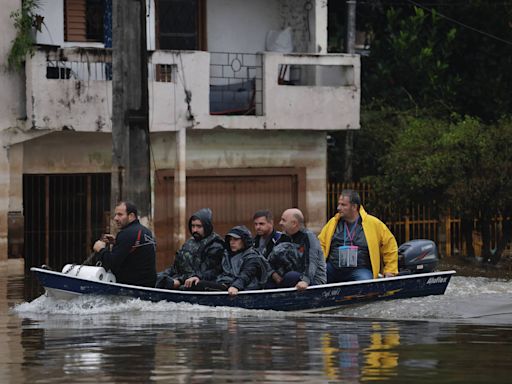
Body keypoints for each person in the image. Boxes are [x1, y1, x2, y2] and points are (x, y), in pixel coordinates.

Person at [318, 189, 398, 283]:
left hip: (360, 269)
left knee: (365, 283)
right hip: (334, 268)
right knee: (317, 277)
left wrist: (390, 271)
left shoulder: (373, 223)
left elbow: (390, 246)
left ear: (354, 207)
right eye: (339, 204)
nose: (338, 208)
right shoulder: (332, 223)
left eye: (343, 205)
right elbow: (320, 245)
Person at [186, 225, 273, 296]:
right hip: (224, 284)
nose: (232, 242)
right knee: (191, 284)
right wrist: (198, 277)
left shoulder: (252, 257)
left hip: (239, 288)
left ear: (244, 241)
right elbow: (215, 271)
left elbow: (246, 275)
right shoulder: (226, 255)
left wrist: (235, 287)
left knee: (201, 285)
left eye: (236, 239)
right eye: (230, 239)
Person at [91, 201, 157, 287]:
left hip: (131, 288)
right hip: (148, 286)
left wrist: (100, 249)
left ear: (131, 216)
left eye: (120, 215)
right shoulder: (146, 231)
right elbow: (136, 252)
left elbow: (111, 263)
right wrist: (117, 242)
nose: (115, 218)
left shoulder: (126, 234)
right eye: (115, 215)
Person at [155, 208, 224, 289]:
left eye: (199, 226)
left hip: (199, 284)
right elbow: (175, 267)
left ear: (207, 226)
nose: (195, 230)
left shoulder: (216, 245)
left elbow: (211, 272)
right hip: (181, 279)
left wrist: (180, 280)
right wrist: (162, 275)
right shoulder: (189, 243)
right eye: (193, 226)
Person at [266, 208, 326, 290]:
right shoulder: (284, 237)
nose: (280, 223)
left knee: (291, 276)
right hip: (289, 277)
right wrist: (273, 273)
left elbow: (311, 262)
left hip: (311, 281)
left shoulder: (308, 237)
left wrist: (305, 280)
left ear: (294, 223)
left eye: (284, 220)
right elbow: (271, 259)